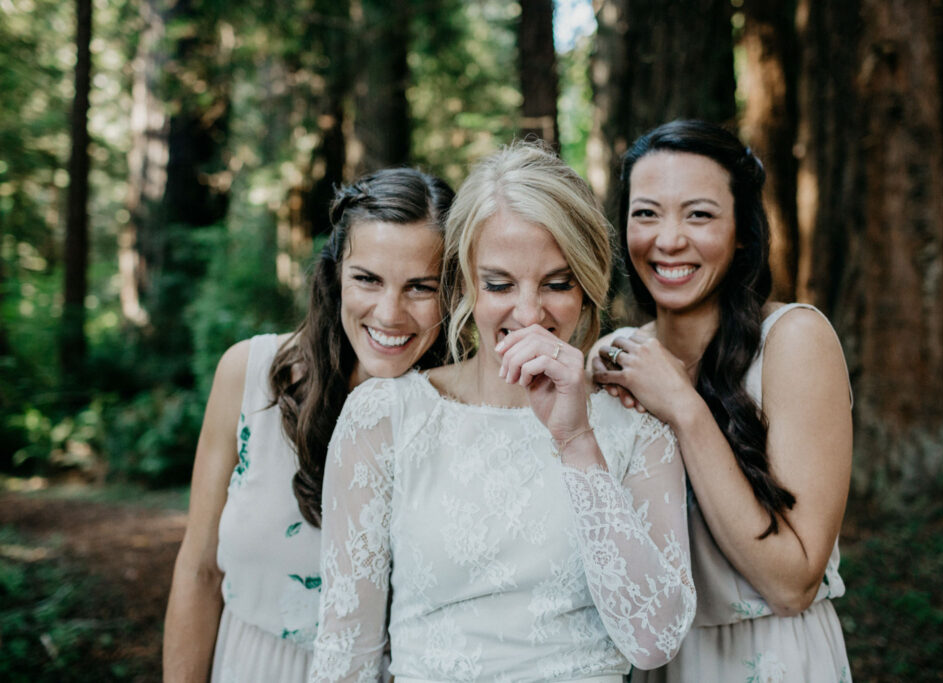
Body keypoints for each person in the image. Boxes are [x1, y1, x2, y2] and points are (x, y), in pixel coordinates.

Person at [310, 142, 696, 683]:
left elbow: (656, 642)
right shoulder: (385, 416)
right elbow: (345, 649)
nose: (530, 312)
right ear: (465, 281)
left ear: (588, 285)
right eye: (499, 284)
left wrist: (577, 442)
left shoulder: (638, 425)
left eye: (557, 283)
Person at [162, 168, 454, 683]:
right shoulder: (249, 375)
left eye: (420, 287)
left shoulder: (465, 411)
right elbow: (199, 569)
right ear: (335, 274)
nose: (390, 313)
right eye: (367, 279)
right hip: (249, 665)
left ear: (453, 292)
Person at [590, 119, 852, 682]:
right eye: (646, 213)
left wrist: (683, 407)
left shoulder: (793, 341)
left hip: (773, 657)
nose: (668, 240)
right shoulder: (616, 358)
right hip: (655, 662)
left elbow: (792, 584)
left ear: (742, 234)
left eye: (699, 215)